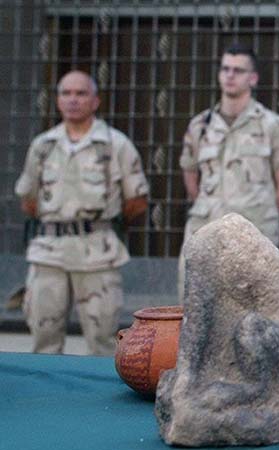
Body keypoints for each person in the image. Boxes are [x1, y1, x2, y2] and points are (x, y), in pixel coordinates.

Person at [14, 70, 149, 355]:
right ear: (58, 100)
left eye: (81, 93)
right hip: (49, 252)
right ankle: (47, 399)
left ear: (95, 100)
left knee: (103, 342)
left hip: (97, 254)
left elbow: (136, 201)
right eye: (66, 93)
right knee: (44, 340)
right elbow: (29, 200)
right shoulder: (43, 146)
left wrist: (97, 224)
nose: (73, 100)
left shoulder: (116, 144)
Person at [178, 43, 279, 301]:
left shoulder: (274, 126)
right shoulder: (200, 125)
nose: (230, 75)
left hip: (254, 234)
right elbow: (191, 176)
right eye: (225, 69)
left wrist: (257, 215)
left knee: (251, 312)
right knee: (194, 309)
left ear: (253, 78)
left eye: (238, 70)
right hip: (204, 231)